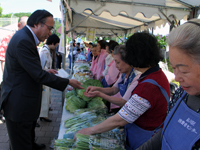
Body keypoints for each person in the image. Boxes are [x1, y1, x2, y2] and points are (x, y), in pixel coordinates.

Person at [0, 9, 83, 150]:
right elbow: (37, 75)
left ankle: (32, 144)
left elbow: (28, 69)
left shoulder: (25, 37)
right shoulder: (23, 40)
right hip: (18, 104)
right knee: (20, 142)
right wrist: (68, 82)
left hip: (24, 101)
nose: (50, 33)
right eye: (49, 28)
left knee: (27, 134)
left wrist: (44, 71)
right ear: (37, 24)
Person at [77, 32, 170, 150]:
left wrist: (89, 130)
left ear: (137, 56)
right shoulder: (155, 74)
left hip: (144, 139)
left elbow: (120, 119)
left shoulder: (148, 86)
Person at [136, 19, 200, 150]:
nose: (177, 77)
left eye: (183, 70)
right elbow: (164, 134)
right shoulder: (182, 93)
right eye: (174, 68)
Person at [85, 45, 140, 111]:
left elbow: (123, 101)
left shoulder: (136, 77)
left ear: (128, 61)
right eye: (115, 62)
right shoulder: (123, 74)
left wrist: (99, 94)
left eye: (118, 62)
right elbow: (113, 90)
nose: (116, 66)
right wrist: (97, 89)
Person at [39, 34, 60, 122]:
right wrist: (48, 71)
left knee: (46, 95)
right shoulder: (45, 51)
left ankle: (44, 113)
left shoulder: (47, 50)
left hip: (47, 76)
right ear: (52, 43)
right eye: (56, 45)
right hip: (45, 77)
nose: (56, 47)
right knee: (44, 96)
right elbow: (42, 66)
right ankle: (43, 115)